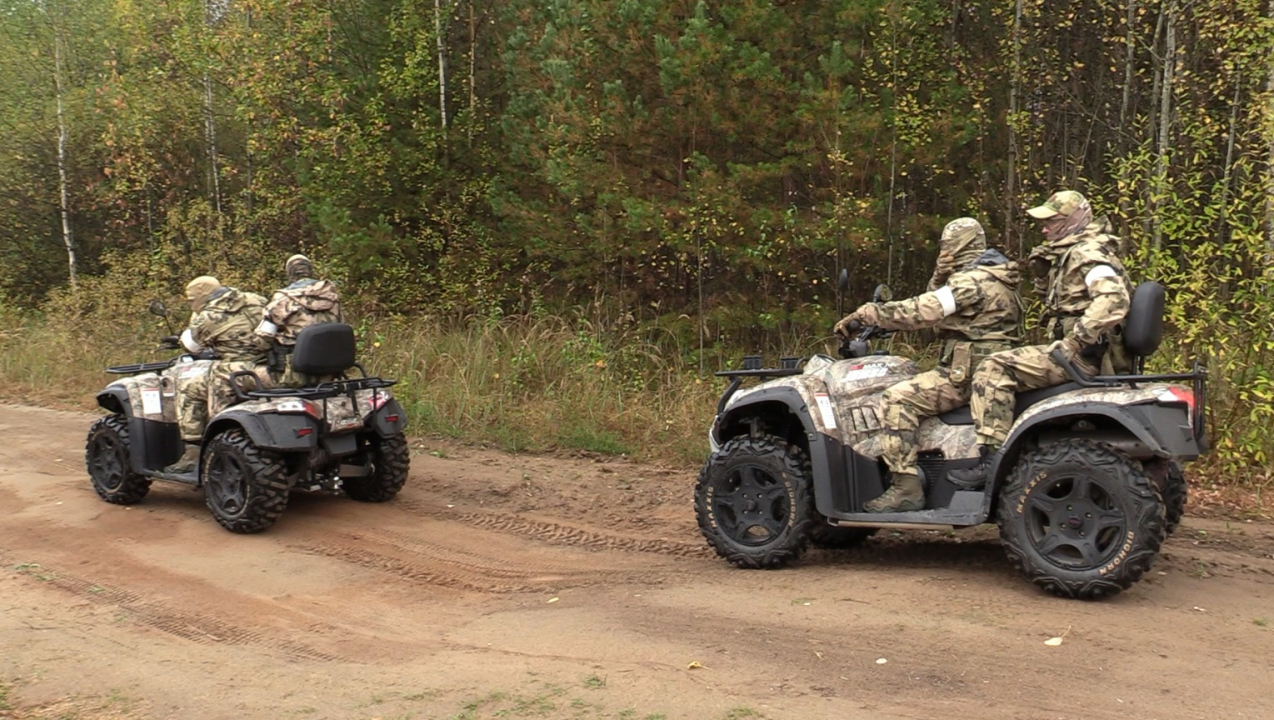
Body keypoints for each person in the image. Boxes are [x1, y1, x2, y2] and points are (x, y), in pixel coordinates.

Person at [834, 218, 1022, 512]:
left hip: (967, 375)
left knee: (897, 399)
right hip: (987, 369)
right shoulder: (995, 275)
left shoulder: (971, 281)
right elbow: (943, 305)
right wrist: (939, 277)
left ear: (960, 246)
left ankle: (905, 488)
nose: (944, 250)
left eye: (948, 246)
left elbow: (923, 310)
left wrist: (870, 313)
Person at [948, 190, 1131, 487]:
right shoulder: (1075, 251)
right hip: (1087, 354)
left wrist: (1075, 342)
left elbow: (1113, 301)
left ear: (1073, 221)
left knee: (994, 367)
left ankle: (992, 458)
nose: (1044, 229)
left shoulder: (1088, 254)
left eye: (1052, 221)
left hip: (1085, 358)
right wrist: (1043, 274)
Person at [167, 276, 270, 472]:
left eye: (191, 300)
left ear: (202, 296)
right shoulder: (256, 299)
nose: (191, 304)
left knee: (189, 387)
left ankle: (193, 452)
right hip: (268, 366)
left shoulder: (209, 316)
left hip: (238, 369)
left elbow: (191, 346)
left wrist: (195, 320)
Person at [254, 254, 343, 387]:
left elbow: (262, 339)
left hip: (292, 376)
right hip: (329, 375)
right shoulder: (332, 298)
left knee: (236, 374)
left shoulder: (282, 299)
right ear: (310, 271)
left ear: (290, 274)